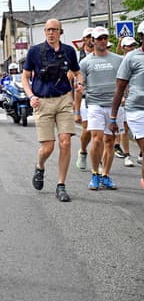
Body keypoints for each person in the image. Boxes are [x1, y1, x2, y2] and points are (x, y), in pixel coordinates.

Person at [22, 19, 83, 202]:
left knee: (65, 142)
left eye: (54, 30)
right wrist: (31, 96)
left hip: (64, 99)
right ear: (45, 32)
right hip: (42, 102)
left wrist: (79, 82)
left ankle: (61, 185)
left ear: (60, 32)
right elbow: (25, 77)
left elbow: (77, 72)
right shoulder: (34, 52)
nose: (51, 33)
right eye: (48, 30)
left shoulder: (69, 51)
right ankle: (40, 166)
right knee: (48, 147)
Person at [73, 27, 123, 190]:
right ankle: (94, 173)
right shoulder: (85, 62)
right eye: (99, 38)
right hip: (94, 104)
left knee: (110, 141)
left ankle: (105, 175)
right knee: (97, 139)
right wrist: (77, 110)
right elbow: (79, 84)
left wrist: (125, 95)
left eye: (104, 38)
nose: (102, 41)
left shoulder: (118, 60)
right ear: (92, 41)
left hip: (114, 105)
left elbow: (125, 80)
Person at [110, 23, 144, 190]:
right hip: (137, 109)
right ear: (141, 37)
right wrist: (113, 116)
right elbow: (119, 88)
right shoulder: (131, 58)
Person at [116, 36, 139, 167]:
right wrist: (123, 96)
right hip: (126, 98)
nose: (131, 48)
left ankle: (141, 153)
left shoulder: (139, 58)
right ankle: (127, 155)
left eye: (133, 45)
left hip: (138, 98)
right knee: (124, 127)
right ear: (124, 47)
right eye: (129, 46)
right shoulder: (121, 61)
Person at [74, 28, 94, 171]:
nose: (91, 39)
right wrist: (75, 106)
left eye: (93, 36)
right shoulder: (78, 57)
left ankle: (98, 160)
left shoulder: (103, 55)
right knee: (87, 130)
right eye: (88, 36)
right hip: (84, 97)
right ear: (84, 39)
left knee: (99, 132)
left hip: (100, 98)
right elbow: (70, 78)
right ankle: (83, 151)